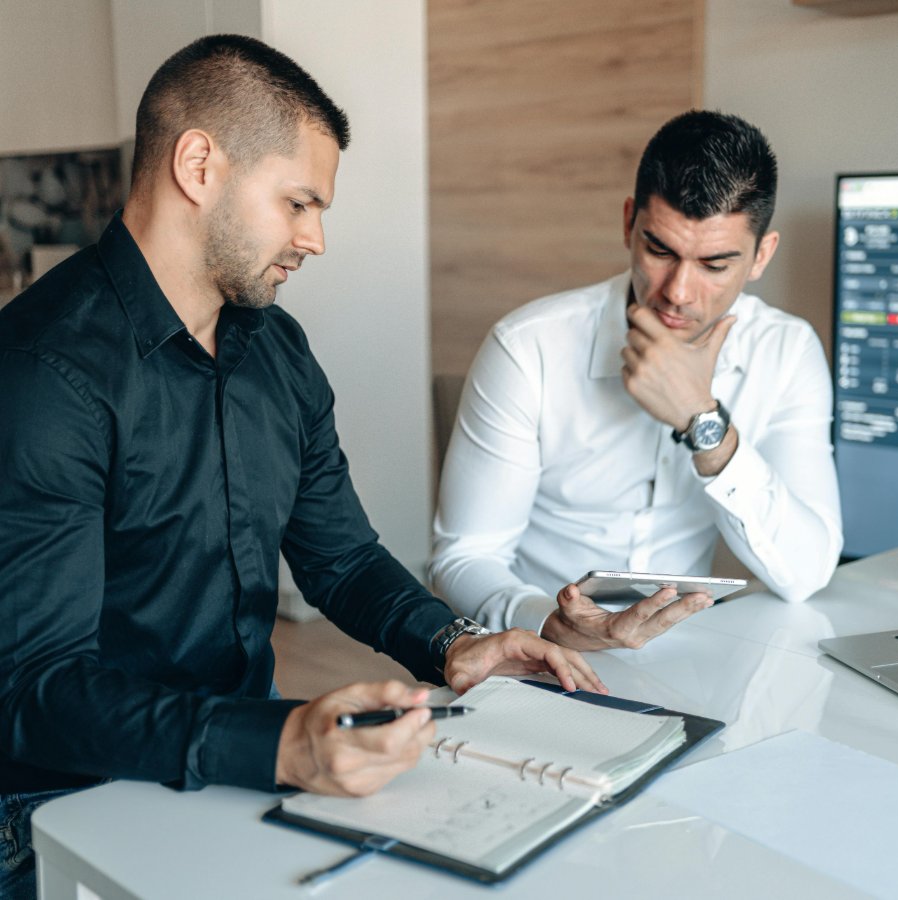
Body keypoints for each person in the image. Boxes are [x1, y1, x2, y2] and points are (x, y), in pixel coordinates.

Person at [0, 35, 602, 899]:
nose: (316, 239)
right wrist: (276, 743)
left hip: (235, 773)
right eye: (298, 203)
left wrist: (453, 645)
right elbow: (33, 685)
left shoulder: (277, 352)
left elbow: (342, 557)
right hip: (58, 809)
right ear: (199, 165)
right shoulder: (43, 372)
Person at [431, 110, 843, 651]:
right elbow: (464, 559)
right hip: (538, 651)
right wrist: (548, 623)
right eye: (660, 251)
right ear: (629, 223)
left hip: (687, 657)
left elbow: (806, 572)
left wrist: (705, 423)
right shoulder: (528, 347)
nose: (678, 292)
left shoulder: (787, 352)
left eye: (715, 265)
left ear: (761, 255)